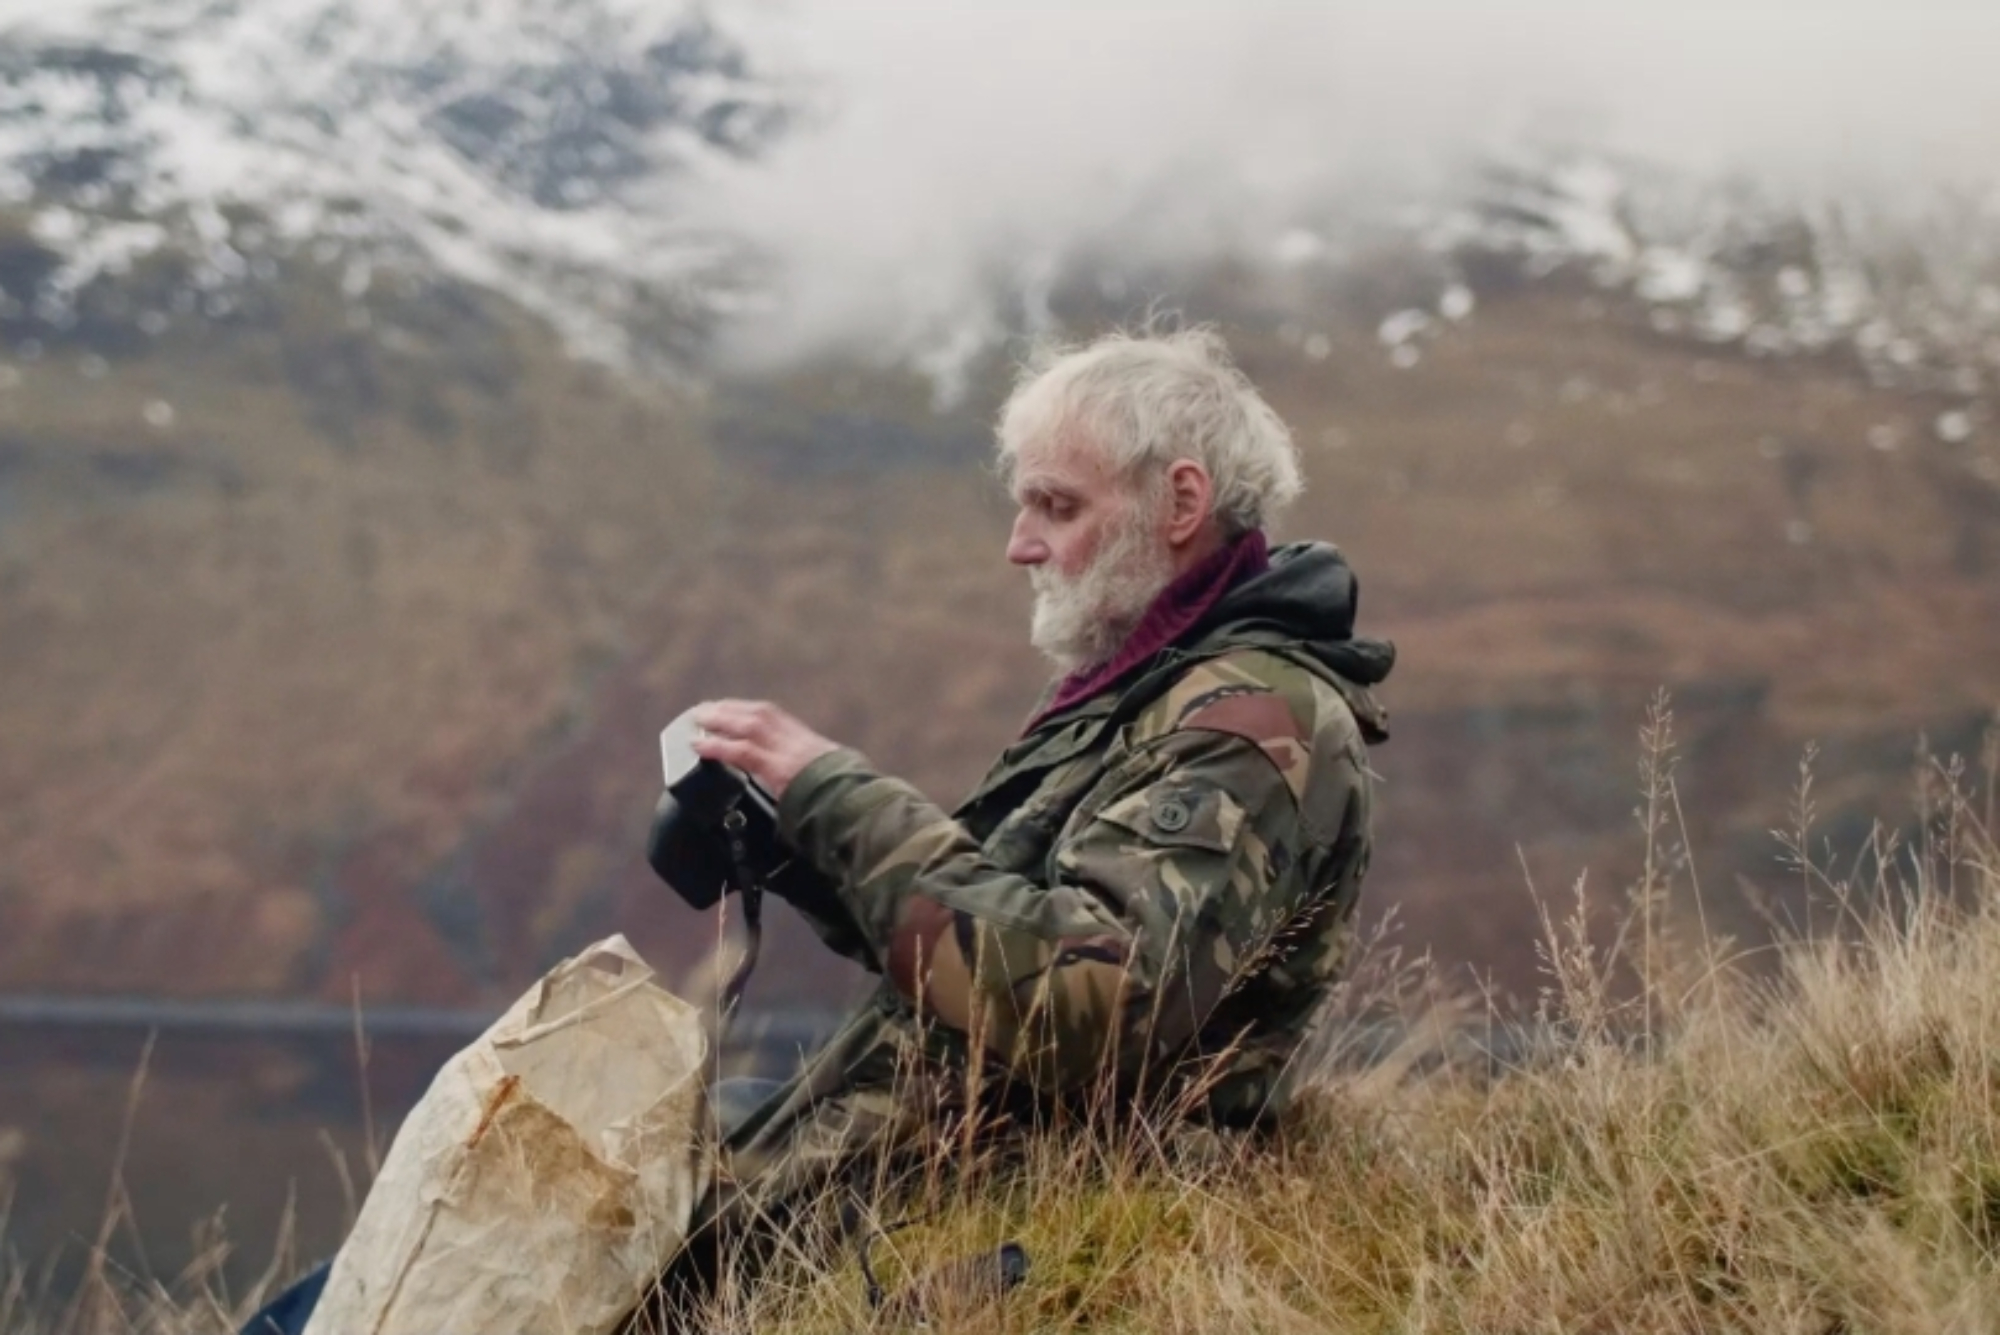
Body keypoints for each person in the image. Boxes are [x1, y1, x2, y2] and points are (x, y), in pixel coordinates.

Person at [677, 326, 1394, 1277]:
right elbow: (991, 940)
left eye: (1057, 505)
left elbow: (1090, 1003)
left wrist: (844, 802)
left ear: (1181, 501)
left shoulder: (1251, 721)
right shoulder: (1130, 689)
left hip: (1032, 1227)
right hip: (927, 1180)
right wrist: (799, 849)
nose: (1021, 545)